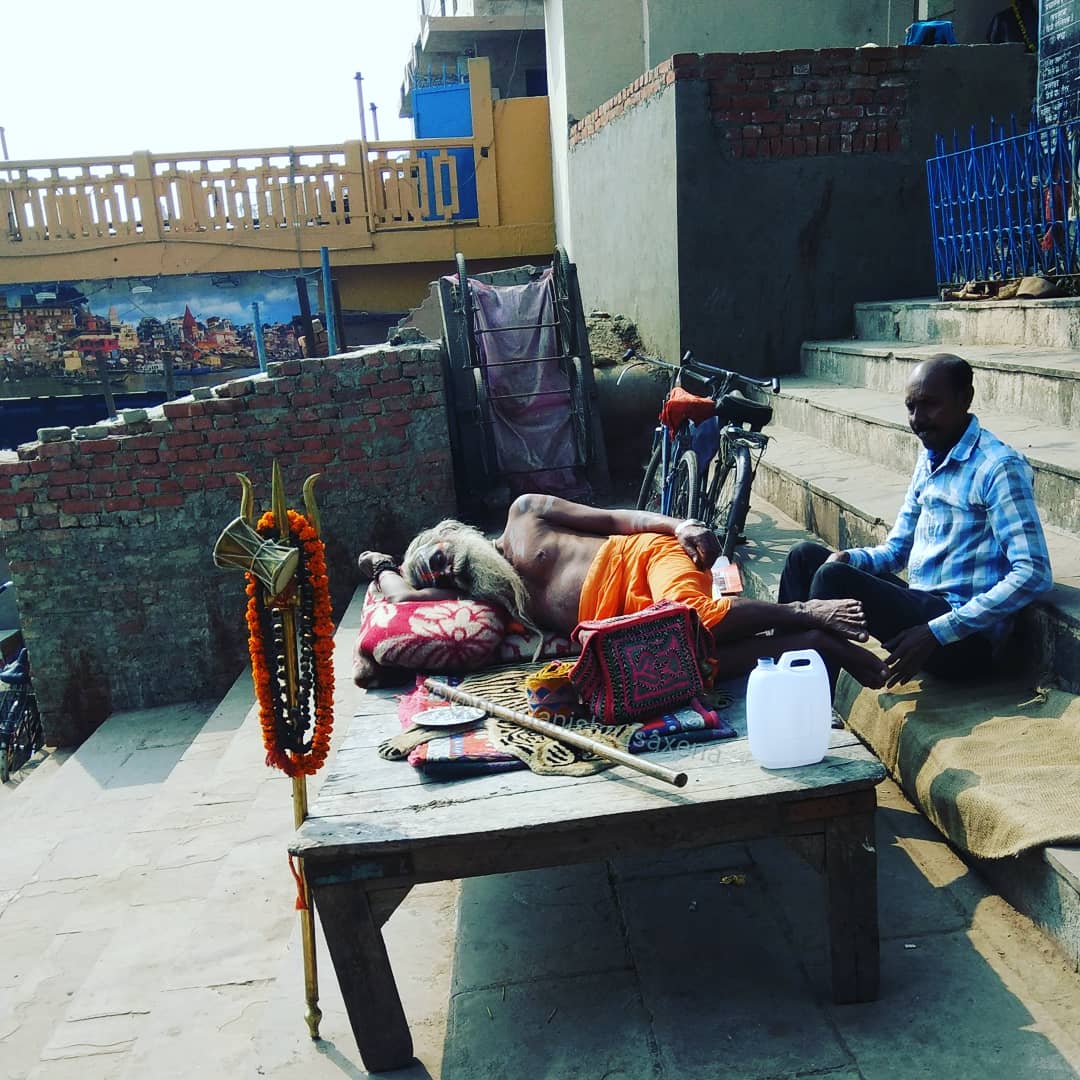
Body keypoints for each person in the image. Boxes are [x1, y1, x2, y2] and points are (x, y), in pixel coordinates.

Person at [354, 497, 889, 691]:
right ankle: (815, 643)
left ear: (454, 534)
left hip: (647, 562)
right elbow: (400, 604)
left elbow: (614, 518)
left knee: (694, 616)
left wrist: (678, 525)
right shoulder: (493, 601)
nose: (444, 568)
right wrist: (382, 567)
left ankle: (805, 611)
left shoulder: (524, 515)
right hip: (632, 626)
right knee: (689, 665)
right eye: (437, 576)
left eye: (439, 553)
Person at [778, 353, 1053, 688]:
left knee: (831, 578)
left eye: (930, 405)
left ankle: (809, 698)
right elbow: (896, 551)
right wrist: (850, 557)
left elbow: (1034, 572)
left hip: (966, 638)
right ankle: (783, 677)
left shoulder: (998, 467)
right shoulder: (930, 457)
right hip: (923, 607)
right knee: (805, 558)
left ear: (964, 399)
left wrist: (938, 631)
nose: (918, 419)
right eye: (911, 407)